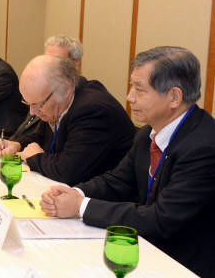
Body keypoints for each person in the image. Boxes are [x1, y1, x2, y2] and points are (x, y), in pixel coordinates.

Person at [39, 46, 215, 277]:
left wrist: (81, 207)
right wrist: (74, 193)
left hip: (183, 264)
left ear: (174, 97)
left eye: (139, 89)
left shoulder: (203, 146)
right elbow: (118, 181)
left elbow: (161, 218)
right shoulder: (147, 134)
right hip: (147, 248)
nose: (129, 97)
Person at [0, 55, 134, 185]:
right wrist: (17, 144)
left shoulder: (93, 111)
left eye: (37, 104)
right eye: (28, 103)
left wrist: (35, 158)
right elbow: (41, 135)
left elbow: (68, 172)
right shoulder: (58, 99)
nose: (32, 112)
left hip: (104, 200)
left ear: (65, 89)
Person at [10, 35, 84, 141]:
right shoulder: (42, 91)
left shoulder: (70, 100)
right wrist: (15, 144)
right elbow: (37, 135)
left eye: (57, 61)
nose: (49, 66)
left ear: (76, 63)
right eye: (46, 59)